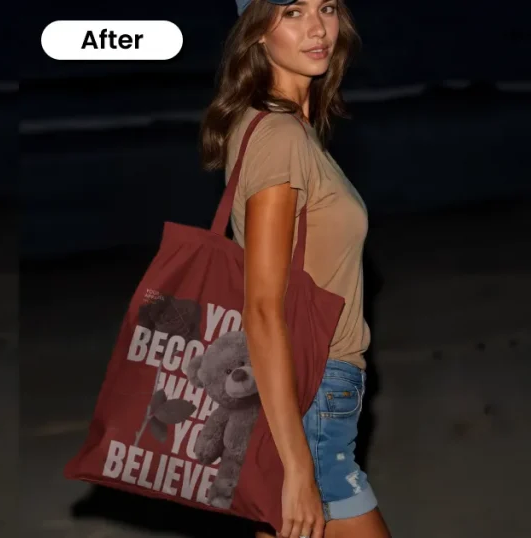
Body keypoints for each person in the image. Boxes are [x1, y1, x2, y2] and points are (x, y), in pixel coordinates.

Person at [199, 1, 392, 538]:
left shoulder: (290, 132)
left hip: (315, 393)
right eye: (292, 10)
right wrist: (299, 468)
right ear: (257, 31)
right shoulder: (278, 138)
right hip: (313, 397)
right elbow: (261, 306)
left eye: (326, 7)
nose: (317, 27)